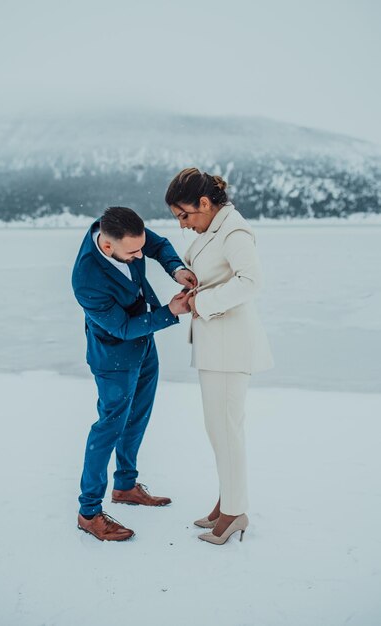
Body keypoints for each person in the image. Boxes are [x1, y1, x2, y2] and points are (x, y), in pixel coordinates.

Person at [72, 206, 196, 542]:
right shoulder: (86, 279)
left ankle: (125, 486)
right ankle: (89, 512)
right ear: (108, 247)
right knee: (109, 427)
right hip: (113, 358)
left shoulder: (124, 232)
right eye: (134, 252)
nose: (141, 254)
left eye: (140, 247)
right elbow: (123, 326)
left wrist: (176, 270)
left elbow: (157, 246)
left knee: (138, 416)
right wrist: (170, 311)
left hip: (144, 344)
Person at [165, 168, 274, 545]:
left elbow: (251, 281)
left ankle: (235, 511)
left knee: (226, 429)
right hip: (215, 344)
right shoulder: (214, 228)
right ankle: (227, 500)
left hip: (231, 345)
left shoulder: (234, 230)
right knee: (218, 430)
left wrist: (203, 301)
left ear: (205, 203)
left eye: (184, 215)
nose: (183, 225)